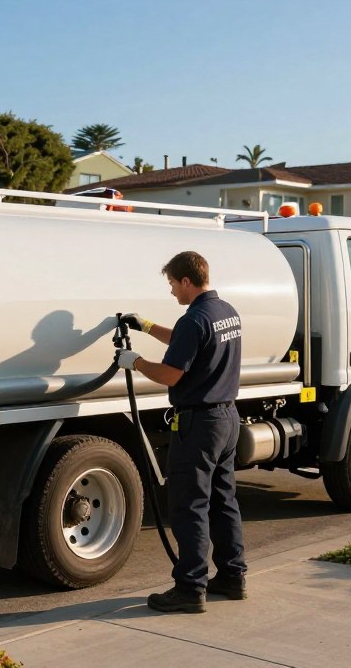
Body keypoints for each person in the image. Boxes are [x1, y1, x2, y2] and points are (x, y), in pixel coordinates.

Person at [116, 250, 247, 614]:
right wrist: (146, 326)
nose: (172, 291)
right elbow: (189, 341)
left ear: (186, 281)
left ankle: (190, 588)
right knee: (224, 501)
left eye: (173, 284)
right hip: (227, 419)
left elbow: (172, 374)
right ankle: (233, 577)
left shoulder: (194, 320)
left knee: (190, 506)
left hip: (199, 424)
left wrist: (136, 362)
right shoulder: (225, 312)